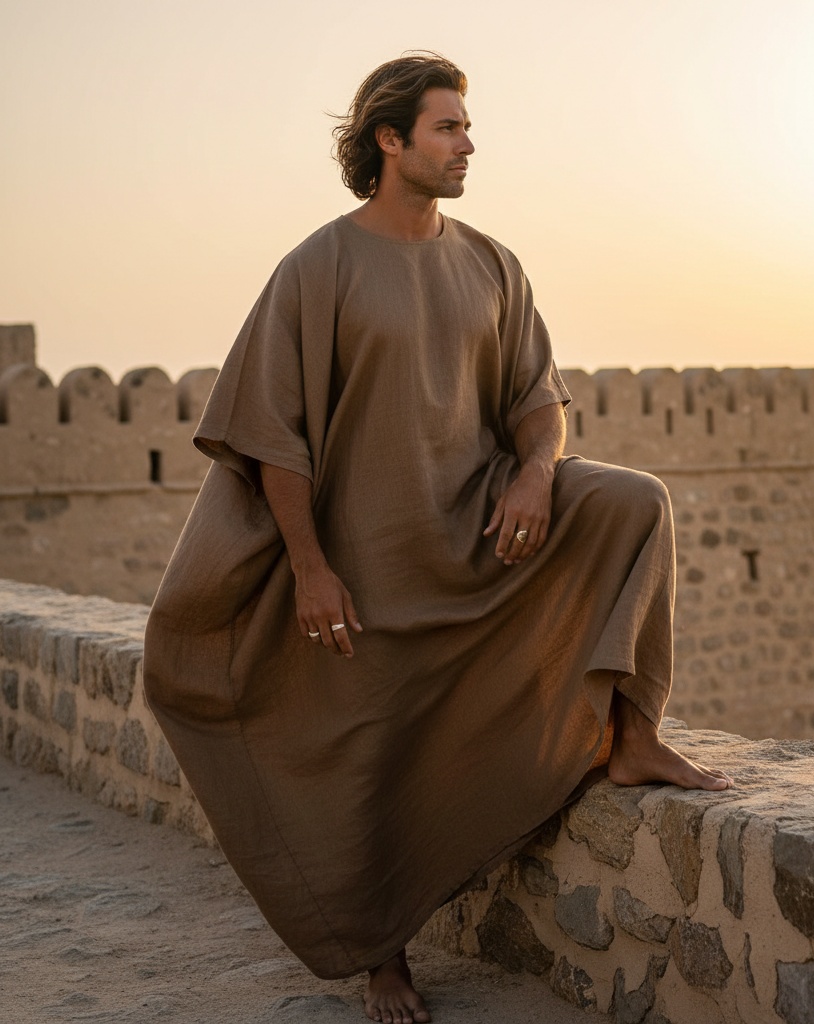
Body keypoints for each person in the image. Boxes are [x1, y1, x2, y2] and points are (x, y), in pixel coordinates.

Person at [143, 53, 732, 1024]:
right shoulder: (319, 268)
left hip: (485, 528)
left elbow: (541, 401)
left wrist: (539, 474)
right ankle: (384, 956)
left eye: (466, 127)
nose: (468, 145)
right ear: (390, 140)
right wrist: (311, 569)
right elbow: (271, 435)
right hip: (368, 559)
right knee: (375, 754)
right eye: (448, 128)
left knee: (634, 502)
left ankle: (632, 736)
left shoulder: (491, 262)